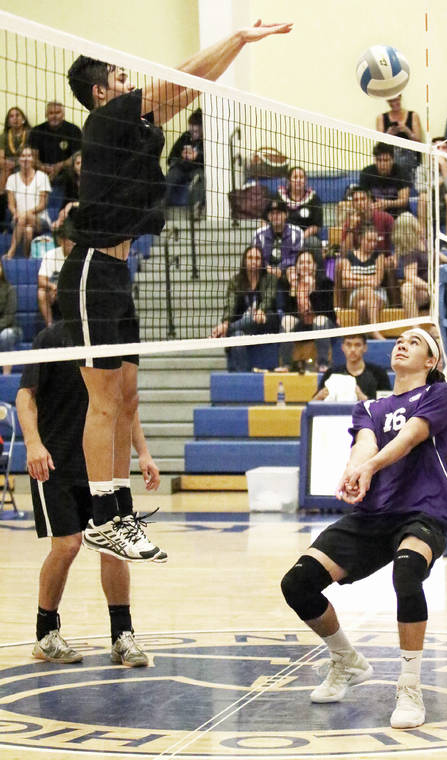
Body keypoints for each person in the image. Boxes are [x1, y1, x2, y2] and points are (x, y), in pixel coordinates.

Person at [57, 20, 293, 562]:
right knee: (102, 400)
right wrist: (237, 39)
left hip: (118, 273)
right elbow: (176, 77)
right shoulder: (105, 119)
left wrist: (236, 46)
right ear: (101, 92)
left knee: (127, 396)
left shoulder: (132, 127)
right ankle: (103, 517)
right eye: (120, 76)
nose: (129, 80)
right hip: (91, 269)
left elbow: (191, 86)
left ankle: (120, 510)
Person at [281, 327, 447, 728]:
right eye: (399, 341)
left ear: (431, 361)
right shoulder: (371, 407)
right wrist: (354, 470)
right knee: (297, 584)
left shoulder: (439, 394)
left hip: (423, 511)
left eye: (414, 342)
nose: (402, 344)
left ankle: (409, 686)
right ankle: (346, 659)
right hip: (374, 515)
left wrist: (371, 466)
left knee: (407, 572)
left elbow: (410, 437)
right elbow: (365, 444)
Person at [16, 318, 162, 666]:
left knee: (114, 547)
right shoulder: (52, 338)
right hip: (56, 464)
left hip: (100, 469)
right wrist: (33, 443)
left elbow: (126, 405)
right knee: (67, 546)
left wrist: (143, 453)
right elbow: (25, 395)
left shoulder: (112, 339)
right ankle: (46, 634)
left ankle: (122, 636)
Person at [210, 245, 279, 372]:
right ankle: (244, 376)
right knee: (237, 336)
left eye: (257, 258)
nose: (254, 261)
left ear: (262, 261)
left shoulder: (270, 278)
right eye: (250, 258)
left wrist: (261, 310)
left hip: (265, 321)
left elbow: (269, 297)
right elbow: (230, 304)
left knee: (255, 319)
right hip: (244, 325)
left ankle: (226, 330)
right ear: (245, 260)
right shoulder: (236, 281)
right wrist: (226, 321)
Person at [277, 249, 335, 372]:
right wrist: (294, 290)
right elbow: (288, 311)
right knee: (287, 320)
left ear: (314, 266)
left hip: (324, 326)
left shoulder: (325, 283)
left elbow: (326, 312)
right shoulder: (288, 283)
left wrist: (312, 291)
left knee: (320, 320)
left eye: (308, 262)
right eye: (301, 263)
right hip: (302, 325)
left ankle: (323, 364)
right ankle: (286, 365)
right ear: (296, 266)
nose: (305, 266)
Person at [312, 333, 390, 401]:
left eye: (357, 345)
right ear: (343, 347)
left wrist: (364, 399)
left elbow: (387, 406)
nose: (353, 349)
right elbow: (312, 405)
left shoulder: (379, 373)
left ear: (365, 348)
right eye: (348, 345)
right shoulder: (331, 373)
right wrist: (319, 396)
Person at [4, 146, 51, 259]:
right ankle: (28, 259)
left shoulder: (42, 177)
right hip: (18, 219)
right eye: (23, 156)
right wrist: (16, 213)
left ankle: (11, 251)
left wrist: (25, 214)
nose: (26, 159)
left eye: (29, 156)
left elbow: (42, 204)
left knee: (24, 219)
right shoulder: (12, 179)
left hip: (40, 219)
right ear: (18, 159)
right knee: (28, 231)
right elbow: (11, 205)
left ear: (33, 159)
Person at [338, 226, 388, 332]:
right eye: (369, 240)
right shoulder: (349, 256)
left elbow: (376, 282)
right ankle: (375, 331)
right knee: (367, 290)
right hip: (356, 294)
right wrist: (368, 279)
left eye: (375, 241)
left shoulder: (379, 256)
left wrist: (354, 277)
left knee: (363, 305)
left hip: (378, 294)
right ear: (361, 239)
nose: (372, 244)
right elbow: (345, 281)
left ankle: (363, 333)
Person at [28, 101, 82, 181]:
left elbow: (77, 155)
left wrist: (60, 165)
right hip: (41, 170)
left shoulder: (74, 130)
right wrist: (42, 167)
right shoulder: (37, 130)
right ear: (46, 115)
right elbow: (33, 156)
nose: (54, 116)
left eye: (57, 113)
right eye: (51, 113)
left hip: (66, 171)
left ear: (63, 114)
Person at [376, 93, 423, 182]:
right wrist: (388, 134)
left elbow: (419, 142)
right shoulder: (381, 118)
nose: (394, 103)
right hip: (390, 157)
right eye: (391, 101)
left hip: (411, 157)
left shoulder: (413, 115)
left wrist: (407, 131)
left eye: (396, 100)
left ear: (400, 97)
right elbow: (380, 145)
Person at [165, 107, 205, 211]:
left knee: (200, 177)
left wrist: (196, 157)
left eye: (196, 132)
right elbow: (170, 158)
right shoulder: (185, 136)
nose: (192, 134)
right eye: (191, 131)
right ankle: (161, 207)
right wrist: (182, 157)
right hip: (182, 168)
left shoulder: (208, 140)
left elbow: (210, 162)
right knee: (171, 176)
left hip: (197, 169)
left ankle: (196, 210)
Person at [277, 166, 323, 253]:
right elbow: (266, 219)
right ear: (289, 181)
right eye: (295, 177)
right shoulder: (279, 198)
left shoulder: (314, 199)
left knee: (313, 242)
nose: (298, 180)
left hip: (305, 238)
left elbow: (316, 226)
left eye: (301, 177)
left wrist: (300, 238)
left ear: (305, 180)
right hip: (282, 237)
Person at [252, 198, 303, 277]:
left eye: (279, 213)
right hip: (264, 272)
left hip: (287, 273)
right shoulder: (259, 234)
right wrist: (267, 268)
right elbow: (256, 256)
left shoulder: (297, 232)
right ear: (268, 216)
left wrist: (280, 268)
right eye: (272, 213)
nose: (275, 216)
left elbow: (296, 257)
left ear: (286, 214)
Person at [392, 212, 430, 318]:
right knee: (407, 287)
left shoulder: (423, 241)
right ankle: (415, 325)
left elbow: (436, 253)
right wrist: (430, 287)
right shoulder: (409, 251)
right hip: (423, 290)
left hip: (435, 286)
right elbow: (410, 276)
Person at [359, 143, 411, 218]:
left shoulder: (401, 173)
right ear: (375, 160)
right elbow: (364, 197)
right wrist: (372, 206)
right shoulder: (367, 172)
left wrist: (388, 203)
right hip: (374, 214)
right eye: (379, 160)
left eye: (386, 160)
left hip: (398, 214)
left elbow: (404, 201)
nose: (382, 164)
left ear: (392, 160)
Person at [37, 224, 75, 326]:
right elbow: (41, 280)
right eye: (69, 240)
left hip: (74, 292)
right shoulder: (50, 255)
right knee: (41, 293)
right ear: (61, 241)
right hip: (55, 293)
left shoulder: (81, 256)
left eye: (74, 240)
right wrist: (53, 286)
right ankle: (50, 326)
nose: (72, 243)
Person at [340, 188, 394, 255]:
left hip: (383, 259)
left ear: (370, 201)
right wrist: (351, 228)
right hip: (360, 260)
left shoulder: (386, 218)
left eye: (363, 199)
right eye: (356, 200)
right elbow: (344, 253)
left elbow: (398, 242)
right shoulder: (349, 223)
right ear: (353, 205)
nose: (360, 203)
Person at [0, 259, 22, 374]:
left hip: (10, 328)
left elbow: (9, 317)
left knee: (6, 335)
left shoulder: (9, 289)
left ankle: (6, 374)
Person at [51, 150, 81, 231]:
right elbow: (65, 202)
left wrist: (71, 205)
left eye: (83, 163)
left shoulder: (94, 182)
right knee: (56, 227)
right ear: (73, 167)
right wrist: (59, 219)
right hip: (73, 215)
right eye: (78, 163)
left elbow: (90, 203)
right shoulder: (70, 181)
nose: (81, 166)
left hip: (89, 215)